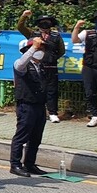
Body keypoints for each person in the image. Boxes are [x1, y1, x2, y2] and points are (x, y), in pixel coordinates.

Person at [9, 37, 50, 177]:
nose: (41, 51)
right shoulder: (22, 64)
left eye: (42, 49)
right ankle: (15, 164)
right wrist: (33, 48)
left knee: (36, 137)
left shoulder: (41, 66)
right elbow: (20, 65)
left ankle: (30, 164)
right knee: (22, 136)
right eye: (39, 49)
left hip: (39, 105)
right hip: (26, 105)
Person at [17, 11, 65, 123]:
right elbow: (20, 27)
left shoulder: (56, 36)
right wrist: (24, 16)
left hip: (51, 66)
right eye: (42, 23)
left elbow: (61, 51)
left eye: (47, 22)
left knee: (52, 90)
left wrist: (51, 58)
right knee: (37, 88)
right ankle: (39, 110)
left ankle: (53, 113)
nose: (45, 25)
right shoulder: (32, 34)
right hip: (36, 67)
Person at [72, 14, 97, 127]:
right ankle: (95, 116)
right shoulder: (88, 33)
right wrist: (77, 27)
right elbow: (75, 40)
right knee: (90, 92)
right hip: (90, 67)